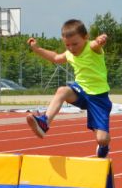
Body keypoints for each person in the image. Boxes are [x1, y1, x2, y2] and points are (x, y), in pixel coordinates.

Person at [26, 20, 112, 158]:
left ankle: (104, 146)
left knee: (102, 138)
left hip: (98, 96)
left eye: (75, 44)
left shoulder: (91, 47)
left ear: (85, 37)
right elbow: (55, 57)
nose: (71, 48)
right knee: (62, 90)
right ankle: (44, 122)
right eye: (67, 45)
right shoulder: (69, 53)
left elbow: (97, 43)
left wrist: (102, 39)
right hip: (81, 90)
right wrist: (37, 49)